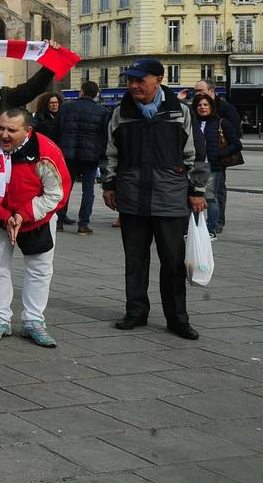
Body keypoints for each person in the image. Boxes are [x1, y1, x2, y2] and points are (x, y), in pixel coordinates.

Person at [103, 58, 208, 340]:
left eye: (141, 80)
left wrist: (197, 191)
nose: (134, 85)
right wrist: (109, 184)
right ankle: (135, 311)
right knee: (134, 259)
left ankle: (177, 318)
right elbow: (111, 153)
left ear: (159, 79)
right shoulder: (120, 113)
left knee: (173, 262)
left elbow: (197, 155)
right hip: (132, 196)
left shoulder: (181, 112)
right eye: (131, 80)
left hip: (170, 197)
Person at [0, 108, 71, 347]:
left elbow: (57, 192)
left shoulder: (47, 151)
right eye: (0, 128)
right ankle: (0, 318)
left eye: (12, 130)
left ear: (27, 131)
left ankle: (34, 320)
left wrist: (23, 215)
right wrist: (4, 217)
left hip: (36, 218)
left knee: (40, 270)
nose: (4, 134)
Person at [56, 81, 105, 235]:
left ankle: (59, 220)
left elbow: (56, 129)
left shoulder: (66, 108)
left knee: (65, 188)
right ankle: (83, 224)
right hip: (90, 156)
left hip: (68, 154)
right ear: (96, 94)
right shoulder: (102, 111)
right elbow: (104, 136)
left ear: (81, 92)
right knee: (88, 190)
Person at [193, 80, 241, 235]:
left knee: (214, 195)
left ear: (211, 91)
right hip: (198, 165)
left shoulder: (225, 110)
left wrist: (219, 155)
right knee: (196, 195)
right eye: (196, 92)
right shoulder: (194, 118)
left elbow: (235, 137)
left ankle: (215, 225)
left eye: (201, 91)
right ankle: (195, 227)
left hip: (215, 163)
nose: (198, 94)